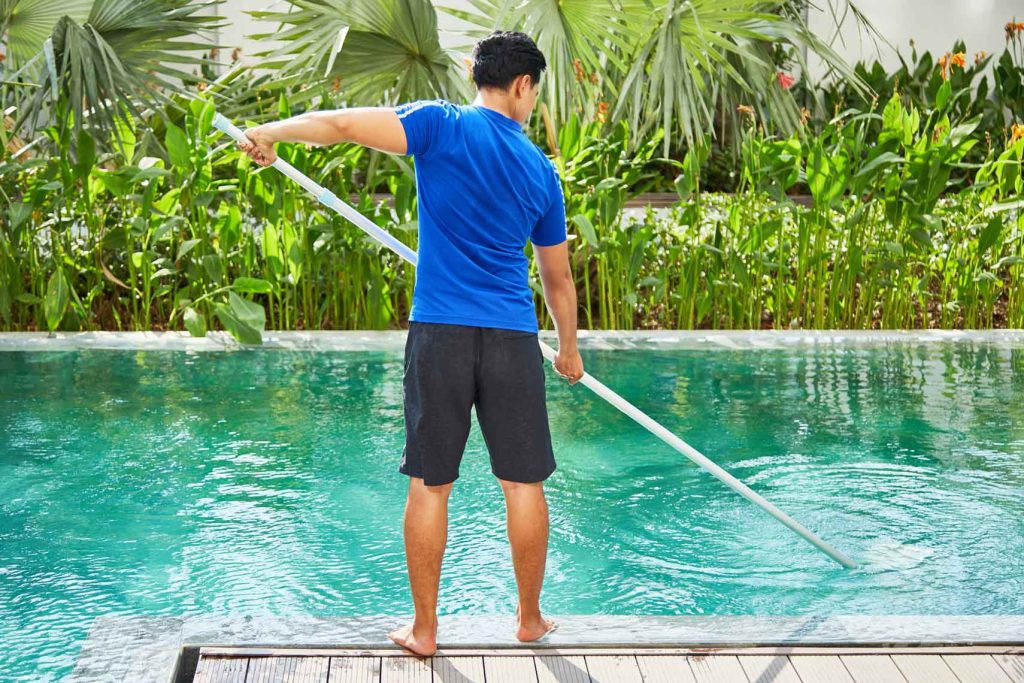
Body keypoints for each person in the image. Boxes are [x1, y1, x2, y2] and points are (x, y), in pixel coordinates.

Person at [236, 30, 583, 657]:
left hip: (441, 334)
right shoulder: (540, 170)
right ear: (523, 85)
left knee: (430, 484)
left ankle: (424, 631)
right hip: (510, 337)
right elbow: (557, 278)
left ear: (479, 77)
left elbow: (340, 125)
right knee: (524, 485)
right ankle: (529, 619)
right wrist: (568, 350)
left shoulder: (438, 125)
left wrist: (271, 133)